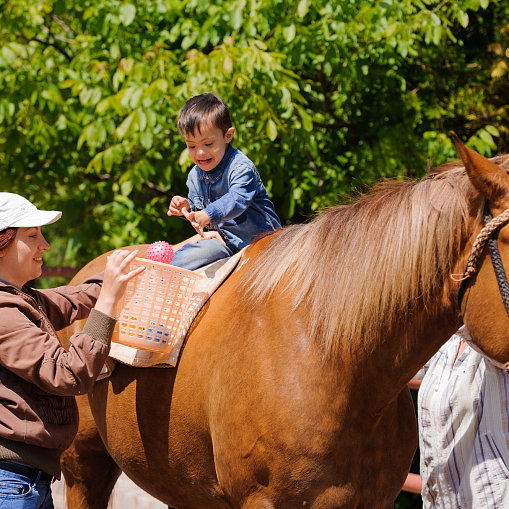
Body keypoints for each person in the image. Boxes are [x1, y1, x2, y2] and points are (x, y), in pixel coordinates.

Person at [0, 192, 144, 508]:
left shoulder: (21, 299)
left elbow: (75, 298)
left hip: (25, 483)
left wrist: (130, 270)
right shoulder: (3, 313)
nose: (45, 245)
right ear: (2, 243)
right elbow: (68, 375)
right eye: (33, 235)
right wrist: (107, 302)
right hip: (11, 486)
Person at [167, 93, 281, 271]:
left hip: (261, 242)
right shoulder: (194, 176)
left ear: (228, 136)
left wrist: (207, 214)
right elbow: (199, 213)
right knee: (192, 254)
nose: (200, 153)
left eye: (209, 144)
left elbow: (236, 200)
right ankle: (155, 272)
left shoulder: (241, 168)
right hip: (225, 244)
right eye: (192, 146)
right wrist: (186, 208)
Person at [413, 326, 509, 507]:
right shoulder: (449, 341)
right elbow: (397, 363)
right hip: (438, 501)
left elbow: (495, 347)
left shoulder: (499, 338)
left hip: (491, 501)